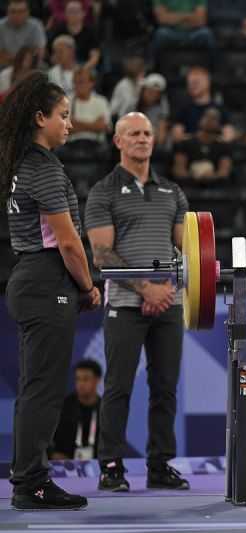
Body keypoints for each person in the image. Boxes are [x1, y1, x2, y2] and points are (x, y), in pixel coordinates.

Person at [3, 72, 100, 510]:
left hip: (34, 279)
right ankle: (31, 483)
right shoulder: (40, 168)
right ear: (39, 118)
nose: (70, 124)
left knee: (35, 387)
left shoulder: (26, 164)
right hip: (47, 280)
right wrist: (88, 284)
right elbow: (67, 242)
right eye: (63, 115)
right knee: (42, 389)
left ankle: (27, 477)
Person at [85, 112, 190, 492]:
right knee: (118, 386)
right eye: (133, 133)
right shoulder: (103, 192)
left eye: (147, 133)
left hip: (168, 303)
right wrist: (147, 289)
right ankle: (111, 465)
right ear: (118, 141)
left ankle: (160, 465)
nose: (142, 139)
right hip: (125, 305)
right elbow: (101, 253)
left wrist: (164, 290)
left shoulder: (172, 191)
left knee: (165, 387)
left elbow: (186, 248)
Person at [49, 359, 103, 460]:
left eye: (86, 379)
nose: (81, 384)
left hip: (97, 465)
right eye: (78, 379)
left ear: (97, 380)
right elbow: (50, 440)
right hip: (65, 463)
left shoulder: (105, 409)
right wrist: (54, 453)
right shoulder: (63, 407)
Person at [171, 65, 234, 143]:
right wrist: (197, 137)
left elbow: (229, 137)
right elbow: (177, 137)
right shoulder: (183, 110)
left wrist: (210, 138)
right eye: (189, 83)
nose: (192, 86)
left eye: (196, 82)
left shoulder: (220, 109)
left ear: (207, 82)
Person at [172, 107, 233, 183]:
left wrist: (210, 177)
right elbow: (179, 171)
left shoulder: (223, 146)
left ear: (219, 124)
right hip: (188, 186)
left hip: (214, 187)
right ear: (200, 120)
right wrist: (195, 176)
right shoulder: (185, 143)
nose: (210, 120)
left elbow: (224, 173)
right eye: (207, 116)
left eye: (214, 118)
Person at [151, 0, 216, 67]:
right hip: (170, 32)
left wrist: (172, 17)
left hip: (194, 33)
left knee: (206, 33)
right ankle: (150, 67)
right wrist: (188, 16)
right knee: (161, 33)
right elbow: (162, 19)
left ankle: (216, 67)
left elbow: (201, 20)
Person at [47, 0, 100, 71]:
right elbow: (51, 54)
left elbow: (94, 57)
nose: (73, 14)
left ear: (83, 13)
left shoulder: (90, 31)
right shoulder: (59, 30)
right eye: (70, 11)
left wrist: (81, 70)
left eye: (76, 11)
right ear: (65, 14)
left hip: (83, 65)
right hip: (62, 65)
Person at [66, 67, 110, 148]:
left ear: (91, 83)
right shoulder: (66, 101)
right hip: (71, 145)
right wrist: (94, 125)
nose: (77, 86)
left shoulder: (101, 101)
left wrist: (76, 123)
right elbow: (66, 129)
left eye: (81, 82)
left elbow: (104, 127)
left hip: (96, 145)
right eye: (75, 82)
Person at [0, 0, 46, 68]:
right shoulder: (1, 26)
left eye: (21, 11)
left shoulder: (36, 25)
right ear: (7, 13)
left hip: (30, 66)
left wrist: (22, 61)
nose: (17, 15)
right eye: (13, 11)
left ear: (28, 13)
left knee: (43, 68)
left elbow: (39, 51)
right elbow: (1, 55)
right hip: (4, 66)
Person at [136, 73, 170, 148]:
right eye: (150, 91)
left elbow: (161, 137)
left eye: (156, 93)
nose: (152, 95)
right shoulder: (133, 105)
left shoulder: (161, 107)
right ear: (143, 90)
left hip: (153, 147)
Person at [47, 34, 76, 98]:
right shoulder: (52, 73)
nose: (58, 55)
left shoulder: (83, 71)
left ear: (71, 51)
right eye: (56, 52)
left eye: (60, 51)